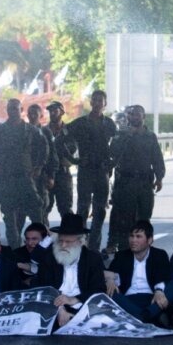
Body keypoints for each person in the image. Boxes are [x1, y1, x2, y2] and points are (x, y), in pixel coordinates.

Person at [0, 99, 45, 248]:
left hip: (26, 177)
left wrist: (38, 166)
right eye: (10, 109)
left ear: (21, 110)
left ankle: (40, 247)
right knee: (10, 217)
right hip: (7, 178)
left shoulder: (30, 130)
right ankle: (14, 249)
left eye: (16, 109)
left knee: (37, 212)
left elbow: (44, 146)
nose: (13, 111)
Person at [107, 105, 165, 253]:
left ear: (143, 117)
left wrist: (159, 177)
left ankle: (144, 249)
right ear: (128, 117)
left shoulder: (150, 136)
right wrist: (126, 136)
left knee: (144, 217)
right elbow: (112, 153)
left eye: (138, 114)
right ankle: (124, 250)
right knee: (124, 219)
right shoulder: (120, 135)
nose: (134, 117)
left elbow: (157, 158)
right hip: (125, 184)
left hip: (145, 184)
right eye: (132, 114)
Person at [33, 213, 106, 327]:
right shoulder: (49, 257)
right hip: (55, 305)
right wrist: (60, 310)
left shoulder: (92, 259)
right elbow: (44, 286)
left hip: (82, 304)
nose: (63, 245)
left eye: (68, 242)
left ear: (80, 242)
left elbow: (98, 289)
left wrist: (74, 299)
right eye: (60, 240)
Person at [66, 91, 118, 249]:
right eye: (94, 100)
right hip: (85, 171)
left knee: (100, 210)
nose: (96, 103)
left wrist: (111, 164)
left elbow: (117, 147)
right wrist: (74, 160)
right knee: (82, 209)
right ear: (90, 102)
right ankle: (80, 244)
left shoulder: (109, 124)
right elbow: (62, 139)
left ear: (105, 104)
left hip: (101, 172)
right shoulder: (80, 123)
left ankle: (93, 247)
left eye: (100, 100)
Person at [105, 220, 173, 323]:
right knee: (112, 292)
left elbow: (163, 276)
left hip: (152, 299)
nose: (133, 240)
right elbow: (109, 272)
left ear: (150, 240)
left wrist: (159, 291)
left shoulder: (159, 255)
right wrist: (110, 279)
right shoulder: (122, 256)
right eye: (131, 236)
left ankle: (141, 316)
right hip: (129, 300)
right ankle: (148, 317)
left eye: (138, 237)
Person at [44, 101, 77, 217]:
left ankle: (67, 234)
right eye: (50, 111)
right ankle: (44, 235)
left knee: (65, 209)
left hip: (63, 173)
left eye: (55, 110)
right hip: (47, 174)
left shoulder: (69, 131)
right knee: (44, 209)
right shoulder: (43, 131)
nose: (52, 113)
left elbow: (73, 149)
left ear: (62, 112)